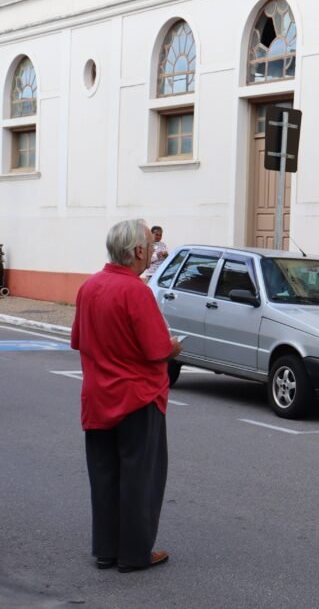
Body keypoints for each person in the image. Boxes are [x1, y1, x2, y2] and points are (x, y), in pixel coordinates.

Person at [71, 219, 183, 571]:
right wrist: (174, 347)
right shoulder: (136, 291)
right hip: (137, 397)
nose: (151, 253)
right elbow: (155, 350)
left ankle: (106, 550)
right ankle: (135, 554)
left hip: (97, 395)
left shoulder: (89, 287)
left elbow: (77, 340)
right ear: (136, 251)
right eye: (149, 248)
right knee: (139, 478)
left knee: (103, 476)